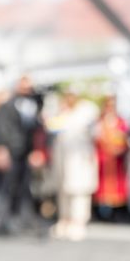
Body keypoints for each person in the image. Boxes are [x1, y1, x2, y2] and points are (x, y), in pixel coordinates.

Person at [0, 76, 43, 235]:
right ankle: (1, 222)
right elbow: (1, 127)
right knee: (6, 187)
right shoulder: (8, 104)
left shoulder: (33, 104)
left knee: (24, 187)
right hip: (11, 150)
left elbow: (36, 130)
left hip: (25, 153)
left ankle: (24, 221)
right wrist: (0, 148)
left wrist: (36, 150)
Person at [49, 91, 98, 240]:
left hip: (80, 159)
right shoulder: (61, 113)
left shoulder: (86, 112)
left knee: (79, 192)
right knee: (63, 191)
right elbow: (52, 127)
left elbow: (91, 130)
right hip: (62, 159)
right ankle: (65, 219)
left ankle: (78, 222)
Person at [93, 96, 129, 222]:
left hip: (116, 158)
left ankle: (116, 212)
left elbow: (124, 136)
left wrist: (119, 147)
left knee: (117, 185)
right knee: (101, 185)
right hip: (103, 157)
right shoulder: (100, 121)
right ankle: (99, 211)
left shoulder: (120, 121)